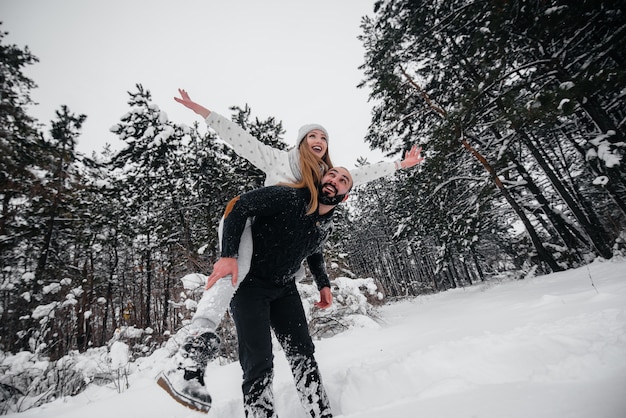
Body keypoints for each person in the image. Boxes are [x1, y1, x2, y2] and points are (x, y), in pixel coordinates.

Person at [157, 90, 423, 412]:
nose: (319, 139)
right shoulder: (284, 167)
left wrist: (401, 164)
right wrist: (203, 111)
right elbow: (241, 141)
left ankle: (319, 410)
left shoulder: (323, 192)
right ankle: (193, 353)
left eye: (323, 137)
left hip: (283, 284)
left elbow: (348, 193)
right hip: (249, 231)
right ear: (301, 142)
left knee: (302, 352)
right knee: (236, 282)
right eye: (312, 135)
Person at [188, 167, 352, 416]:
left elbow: (315, 251)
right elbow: (240, 205)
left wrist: (323, 284)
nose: (334, 180)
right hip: (249, 288)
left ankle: (320, 412)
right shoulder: (289, 197)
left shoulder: (325, 224)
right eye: (331, 175)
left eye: (343, 180)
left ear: (345, 195)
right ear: (320, 179)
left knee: (303, 354)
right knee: (258, 362)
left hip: (285, 289)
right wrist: (229, 254)